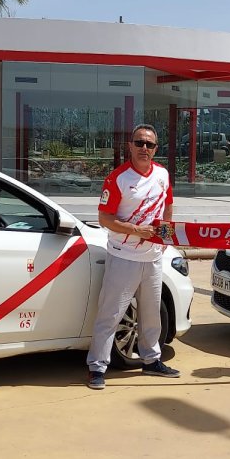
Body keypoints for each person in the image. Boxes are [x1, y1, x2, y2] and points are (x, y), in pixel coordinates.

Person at [85, 124, 180, 390]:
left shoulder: (162, 174)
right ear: (130, 146)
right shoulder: (118, 178)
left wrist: (164, 237)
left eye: (149, 144)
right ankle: (97, 366)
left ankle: (151, 361)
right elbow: (104, 218)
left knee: (151, 314)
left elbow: (168, 205)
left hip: (152, 257)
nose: (144, 149)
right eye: (139, 143)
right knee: (111, 312)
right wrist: (136, 230)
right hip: (124, 255)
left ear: (156, 149)